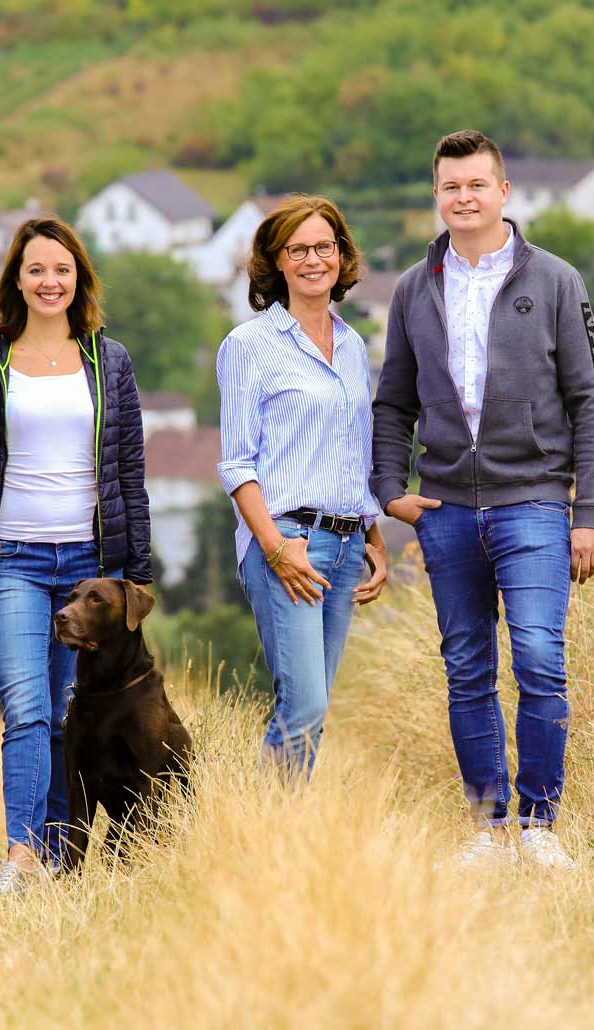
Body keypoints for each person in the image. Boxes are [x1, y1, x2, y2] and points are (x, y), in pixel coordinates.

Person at [370, 130, 594, 870]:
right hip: (445, 510)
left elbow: (589, 398)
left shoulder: (557, 281)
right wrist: (390, 492)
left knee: (539, 657)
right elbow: (392, 404)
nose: (464, 198)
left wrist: (590, 513)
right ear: (436, 197)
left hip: (534, 501)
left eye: (477, 185)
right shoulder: (416, 288)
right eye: (450, 187)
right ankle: (488, 829)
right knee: (466, 666)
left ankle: (540, 826)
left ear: (504, 192)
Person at [0, 216, 152, 895]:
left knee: (72, 713)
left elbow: (128, 472)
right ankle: (22, 857)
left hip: (91, 567)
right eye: (36, 269)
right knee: (28, 708)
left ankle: (64, 859)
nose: (49, 281)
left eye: (61, 270)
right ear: (17, 279)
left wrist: (135, 575)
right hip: (12, 561)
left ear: (78, 279)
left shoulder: (108, 359)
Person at [216, 195, 389, 782]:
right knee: (305, 703)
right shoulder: (249, 346)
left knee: (311, 710)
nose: (314, 260)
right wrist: (274, 547)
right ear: (277, 263)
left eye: (325, 247)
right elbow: (237, 465)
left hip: (343, 549)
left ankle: (279, 836)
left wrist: (373, 534)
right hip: (286, 543)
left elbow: (354, 451)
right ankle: (261, 832)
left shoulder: (352, 346)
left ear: (341, 257)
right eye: (299, 250)